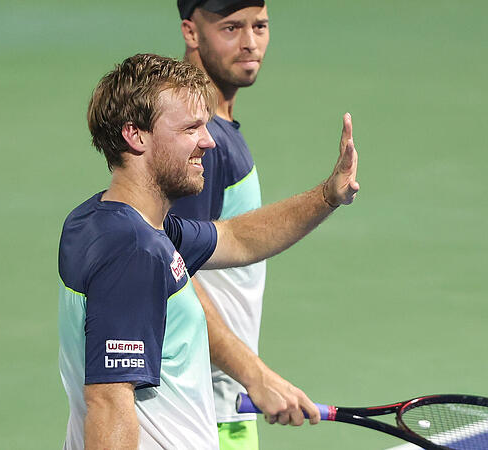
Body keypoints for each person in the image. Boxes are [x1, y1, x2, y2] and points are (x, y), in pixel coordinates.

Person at [58, 53, 358, 449]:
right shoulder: (133, 253)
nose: (209, 140)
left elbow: (238, 237)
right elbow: (109, 404)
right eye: (190, 128)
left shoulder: (109, 222)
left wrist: (327, 195)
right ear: (136, 135)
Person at [172, 1, 316, 447]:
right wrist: (254, 374)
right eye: (231, 27)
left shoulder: (210, 130)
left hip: (219, 402)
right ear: (191, 33)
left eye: (260, 26)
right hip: (206, 413)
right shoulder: (203, 143)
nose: (250, 43)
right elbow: (173, 270)